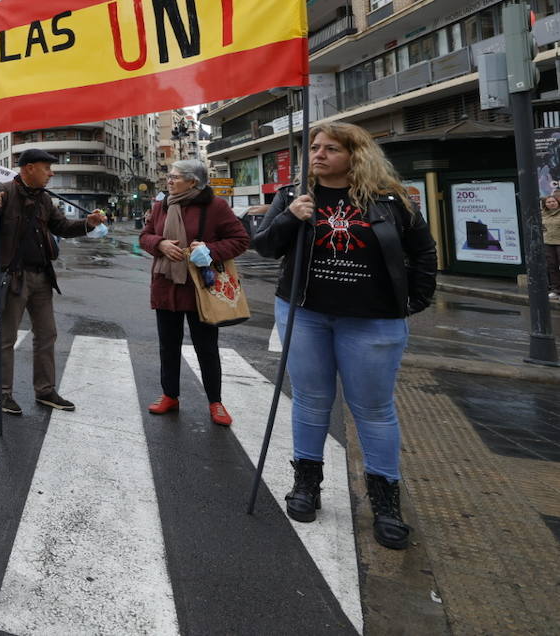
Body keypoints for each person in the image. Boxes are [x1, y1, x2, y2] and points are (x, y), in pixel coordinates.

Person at [254, 122, 436, 550]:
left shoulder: (391, 200)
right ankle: (307, 485)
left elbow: (422, 251)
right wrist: (288, 216)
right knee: (311, 400)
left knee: (373, 409)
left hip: (372, 320)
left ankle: (386, 503)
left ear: (356, 154)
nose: (317, 155)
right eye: (315, 148)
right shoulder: (293, 196)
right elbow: (263, 246)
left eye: (330, 148)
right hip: (305, 313)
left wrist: (414, 300)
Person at [0, 149, 105, 415]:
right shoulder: (3, 192)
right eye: (47, 168)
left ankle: (45, 390)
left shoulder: (44, 199)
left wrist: (87, 223)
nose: (51, 173)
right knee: (6, 338)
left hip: (42, 277)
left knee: (47, 335)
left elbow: (62, 227)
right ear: (29, 168)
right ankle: (4, 393)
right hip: (12, 278)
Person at [139, 159, 249, 426]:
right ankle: (170, 395)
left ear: (194, 182)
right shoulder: (162, 204)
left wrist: (209, 250)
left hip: (201, 288)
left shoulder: (215, 206)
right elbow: (145, 236)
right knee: (168, 346)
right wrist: (160, 243)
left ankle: (215, 401)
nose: (170, 180)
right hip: (166, 286)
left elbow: (241, 240)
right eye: (170, 176)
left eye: (176, 177)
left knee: (206, 347)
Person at [543, 195, 560, 301]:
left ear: (557, 202)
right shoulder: (543, 214)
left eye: (553, 201)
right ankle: (555, 290)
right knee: (552, 267)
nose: (551, 203)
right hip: (548, 243)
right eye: (548, 202)